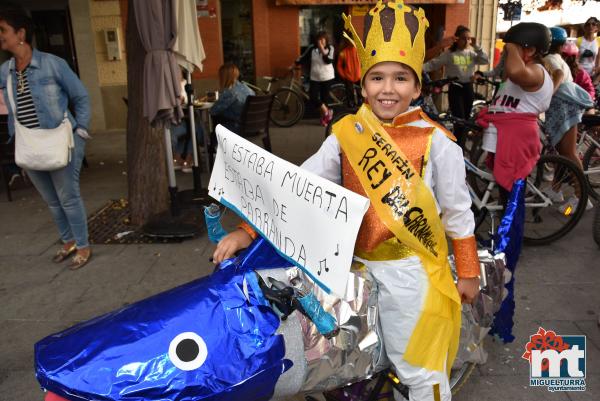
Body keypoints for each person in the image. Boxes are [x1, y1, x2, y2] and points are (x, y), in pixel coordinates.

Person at [214, 1, 480, 400]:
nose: (388, 88)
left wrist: (469, 270)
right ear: (363, 83)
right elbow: (298, 184)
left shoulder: (438, 143)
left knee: (418, 369)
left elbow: (458, 211)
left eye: (400, 78)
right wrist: (247, 230)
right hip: (351, 273)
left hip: (413, 276)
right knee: (349, 365)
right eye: (377, 77)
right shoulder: (346, 133)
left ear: (417, 86)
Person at [0, 5, 92, 269]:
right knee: (52, 201)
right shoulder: (5, 71)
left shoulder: (53, 64)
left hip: (61, 141)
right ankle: (68, 241)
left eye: (3, 30)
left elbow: (81, 96)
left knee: (68, 197)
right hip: (29, 143)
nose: (0, 36)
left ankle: (83, 245)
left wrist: (81, 130)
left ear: (20, 33)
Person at [478, 23, 553, 206]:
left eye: (512, 49)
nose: (507, 53)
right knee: (505, 189)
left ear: (531, 50)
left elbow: (516, 72)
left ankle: (510, 232)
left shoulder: (536, 71)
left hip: (517, 137)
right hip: (503, 133)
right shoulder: (524, 70)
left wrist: (511, 47)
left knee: (511, 191)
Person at [544, 26, 594, 212]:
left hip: (564, 110)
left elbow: (557, 76)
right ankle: (555, 189)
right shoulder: (559, 59)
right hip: (565, 110)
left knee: (570, 154)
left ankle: (582, 197)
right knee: (563, 154)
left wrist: (548, 94)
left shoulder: (549, 59)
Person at [423, 25, 489, 147]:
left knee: (466, 121)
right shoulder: (450, 54)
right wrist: (418, 69)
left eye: (469, 39)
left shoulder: (471, 54)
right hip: (455, 88)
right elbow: (433, 64)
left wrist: (477, 46)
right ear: (457, 39)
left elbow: (485, 60)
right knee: (459, 120)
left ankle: (461, 147)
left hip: (468, 88)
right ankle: (457, 147)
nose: (466, 41)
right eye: (464, 38)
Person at [296, 31, 335, 126]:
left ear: (326, 40)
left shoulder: (330, 48)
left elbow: (328, 61)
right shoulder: (312, 49)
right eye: (319, 39)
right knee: (313, 97)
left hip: (327, 77)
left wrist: (322, 49)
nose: (321, 41)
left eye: (323, 39)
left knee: (324, 99)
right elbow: (303, 58)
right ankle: (327, 112)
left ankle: (324, 119)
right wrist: (294, 64)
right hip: (315, 78)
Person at [171, 74, 204, 173]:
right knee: (195, 129)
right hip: (173, 122)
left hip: (183, 119)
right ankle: (187, 159)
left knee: (193, 127)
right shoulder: (169, 86)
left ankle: (178, 158)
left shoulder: (186, 83)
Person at [209, 62, 255, 134]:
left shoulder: (230, 92)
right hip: (253, 125)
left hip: (236, 127)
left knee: (215, 119)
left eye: (220, 76)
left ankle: (211, 142)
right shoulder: (248, 89)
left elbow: (213, 111)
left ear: (223, 77)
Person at [336, 35, 361, 108]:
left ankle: (360, 106)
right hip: (348, 77)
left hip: (359, 76)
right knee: (350, 95)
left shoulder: (359, 51)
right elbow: (339, 66)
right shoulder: (343, 52)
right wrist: (344, 75)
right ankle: (351, 108)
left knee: (361, 94)